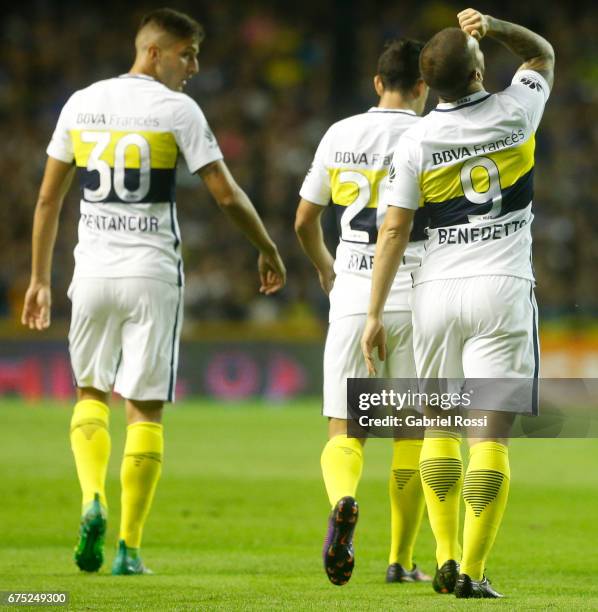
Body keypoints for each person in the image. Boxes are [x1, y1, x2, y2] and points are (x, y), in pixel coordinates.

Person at [21, 8, 285, 575]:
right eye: (188, 54)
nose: (195, 67)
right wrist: (266, 246)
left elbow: (47, 200)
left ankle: (93, 496)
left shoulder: (80, 103)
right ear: (155, 52)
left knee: (90, 394)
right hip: (151, 275)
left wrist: (40, 278)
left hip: (90, 273)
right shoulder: (177, 110)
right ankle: (129, 549)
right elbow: (225, 193)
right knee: (144, 411)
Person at [361, 8, 554, 598]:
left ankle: (442, 553)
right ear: (478, 68)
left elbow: (393, 231)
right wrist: (492, 25)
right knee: (489, 439)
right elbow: (541, 54)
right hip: (502, 286)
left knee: (439, 429)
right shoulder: (517, 111)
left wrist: (373, 314)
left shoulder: (415, 140)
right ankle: (471, 570)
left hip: (437, 293)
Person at [295, 40, 432, 586]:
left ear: (378, 83)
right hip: (418, 294)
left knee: (345, 429)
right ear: (423, 87)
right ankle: (400, 560)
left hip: (353, 294)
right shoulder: (433, 134)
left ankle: (345, 502)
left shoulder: (340, 133)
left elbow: (305, 220)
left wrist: (326, 267)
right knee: (411, 434)